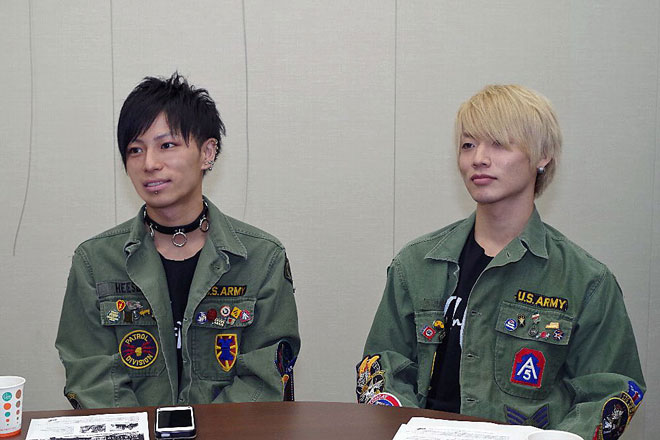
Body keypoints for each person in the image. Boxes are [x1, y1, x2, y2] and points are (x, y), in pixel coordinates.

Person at [357, 85, 645, 439]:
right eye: (468, 145)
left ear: (542, 156)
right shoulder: (417, 264)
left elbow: (609, 392)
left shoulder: (586, 281)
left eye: (498, 143)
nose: (478, 158)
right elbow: (381, 367)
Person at [56, 73, 300, 408]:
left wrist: (207, 431)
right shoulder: (95, 261)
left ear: (207, 153)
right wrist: (140, 430)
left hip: (231, 431)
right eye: (135, 150)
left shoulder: (261, 258)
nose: (149, 164)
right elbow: (91, 375)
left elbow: (264, 378)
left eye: (166, 145)